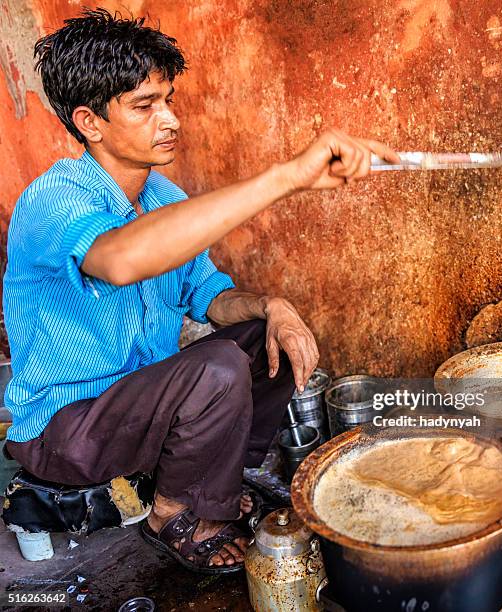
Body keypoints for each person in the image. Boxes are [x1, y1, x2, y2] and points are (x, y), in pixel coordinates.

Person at [2, 9, 399, 573]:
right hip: (68, 428)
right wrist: (285, 176)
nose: (171, 121)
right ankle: (175, 513)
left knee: (267, 337)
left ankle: (214, 481)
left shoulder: (164, 196)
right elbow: (122, 260)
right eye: (145, 106)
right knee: (214, 370)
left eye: (169, 100)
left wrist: (272, 307)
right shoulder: (53, 200)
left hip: (140, 408)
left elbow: (209, 294)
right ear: (90, 121)